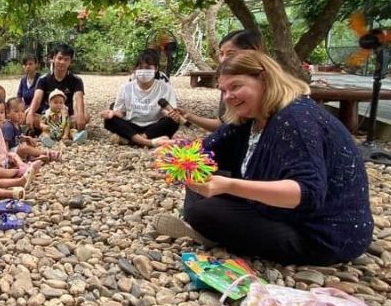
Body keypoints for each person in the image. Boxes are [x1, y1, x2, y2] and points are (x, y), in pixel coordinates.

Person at [154, 51, 373, 265]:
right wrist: (177, 153)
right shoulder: (250, 117)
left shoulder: (295, 119)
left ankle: (210, 232)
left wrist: (228, 185)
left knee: (204, 212)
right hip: (278, 211)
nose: (228, 96)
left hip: (319, 233)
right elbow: (206, 151)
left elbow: (307, 193)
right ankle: (212, 230)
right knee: (198, 175)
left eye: (236, 86)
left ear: (265, 79)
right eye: (224, 90)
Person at [172, 29, 266, 132]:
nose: (224, 60)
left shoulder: (276, 120)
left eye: (230, 54)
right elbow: (225, 126)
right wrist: (189, 116)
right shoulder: (228, 88)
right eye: (221, 54)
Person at [101, 49, 180, 147]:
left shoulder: (165, 88)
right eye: (140, 68)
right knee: (109, 120)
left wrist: (171, 114)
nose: (143, 71)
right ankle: (149, 142)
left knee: (173, 121)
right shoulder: (125, 88)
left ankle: (132, 141)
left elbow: (167, 111)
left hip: (154, 126)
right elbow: (122, 112)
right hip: (132, 125)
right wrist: (112, 113)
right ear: (135, 70)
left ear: (156, 69)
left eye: (148, 68)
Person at [27, 43, 89, 142]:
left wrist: (81, 116)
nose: (62, 62)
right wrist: (30, 114)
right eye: (59, 58)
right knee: (28, 115)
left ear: (70, 62)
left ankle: (57, 132)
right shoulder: (43, 79)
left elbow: (79, 99)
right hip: (47, 117)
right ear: (53, 59)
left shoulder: (76, 80)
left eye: (66, 59)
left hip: (66, 117)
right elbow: (37, 99)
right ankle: (57, 132)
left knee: (85, 116)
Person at [0, 94, 33, 186]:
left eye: (2, 112)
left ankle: (23, 168)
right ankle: (18, 172)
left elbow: (3, 148)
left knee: (13, 154)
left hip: (4, 161)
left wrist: (8, 157)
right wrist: (1, 168)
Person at [4, 97, 57, 163]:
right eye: (16, 111)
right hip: (11, 152)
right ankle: (46, 153)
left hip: (17, 148)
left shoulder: (17, 125)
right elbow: (5, 143)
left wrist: (27, 138)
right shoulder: (9, 127)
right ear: (8, 113)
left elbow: (18, 138)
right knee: (24, 148)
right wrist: (7, 157)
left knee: (29, 141)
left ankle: (32, 157)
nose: (20, 114)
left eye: (22, 111)